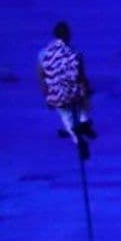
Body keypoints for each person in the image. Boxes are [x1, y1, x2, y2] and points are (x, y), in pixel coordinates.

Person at [38, 20, 95, 157]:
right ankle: (84, 121)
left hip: (57, 94)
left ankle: (77, 140)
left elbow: (42, 77)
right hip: (74, 92)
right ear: (68, 35)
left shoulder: (43, 54)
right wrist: (87, 91)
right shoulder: (74, 52)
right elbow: (81, 74)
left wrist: (47, 96)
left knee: (65, 116)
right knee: (82, 100)